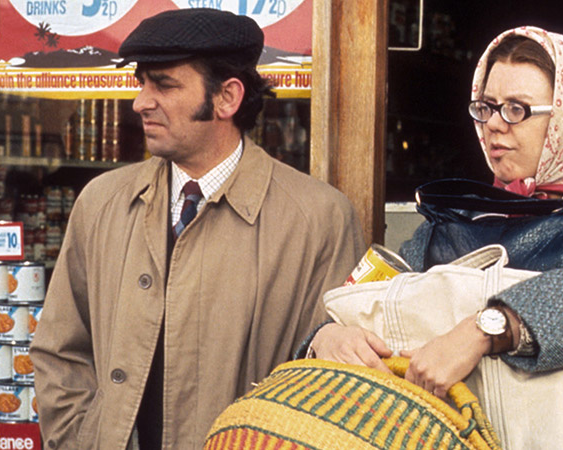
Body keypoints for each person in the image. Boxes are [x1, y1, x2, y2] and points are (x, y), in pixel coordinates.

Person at [308, 26, 563, 450]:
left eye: (517, 109)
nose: (493, 126)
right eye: (486, 107)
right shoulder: (463, 212)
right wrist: (327, 335)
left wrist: (485, 330)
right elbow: (381, 291)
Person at [30, 8, 365, 449]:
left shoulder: (320, 218)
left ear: (227, 98)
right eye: (142, 83)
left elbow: (334, 387)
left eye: (164, 84)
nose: (140, 102)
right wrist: (81, 439)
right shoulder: (101, 202)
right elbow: (59, 350)